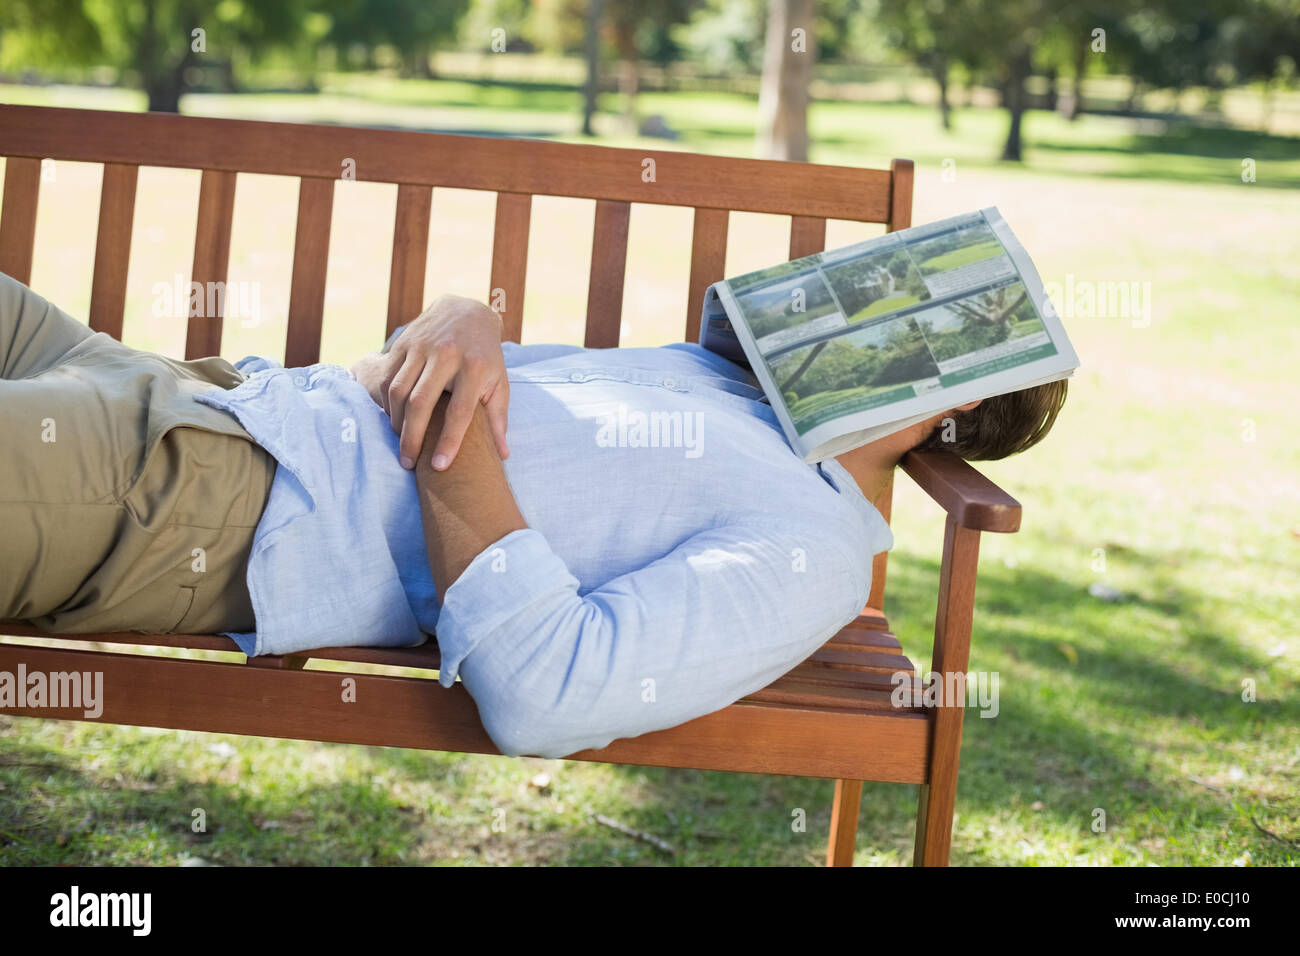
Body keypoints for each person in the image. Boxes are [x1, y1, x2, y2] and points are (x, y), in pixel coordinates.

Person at [0, 273, 1066, 757]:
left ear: (964, 392)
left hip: (197, 494)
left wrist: (454, 414)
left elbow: (553, 693)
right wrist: (463, 320)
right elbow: (399, 382)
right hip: (181, 386)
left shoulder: (813, 545)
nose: (867, 292)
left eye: (919, 306)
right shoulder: (710, 378)